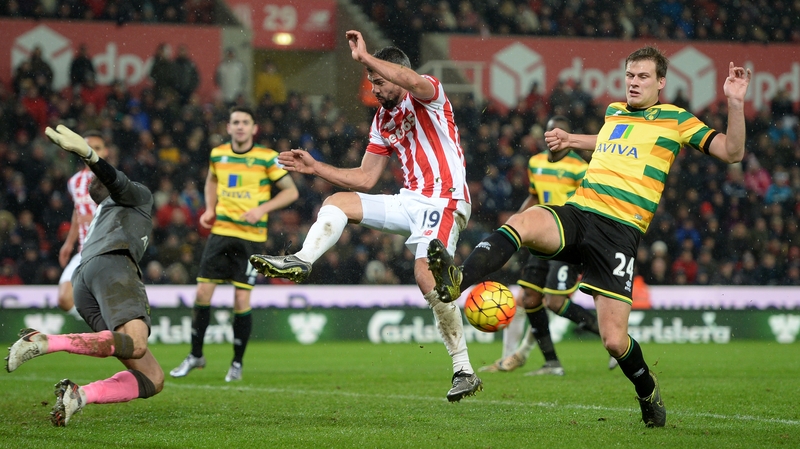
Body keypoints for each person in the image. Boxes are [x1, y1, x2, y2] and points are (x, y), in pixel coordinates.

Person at [428, 48, 751, 427]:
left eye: (643, 76)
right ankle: (458, 280)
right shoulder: (614, 112)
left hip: (619, 233)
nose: (634, 82)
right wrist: (570, 139)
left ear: (661, 82)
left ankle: (648, 390)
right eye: (630, 75)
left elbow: (732, 152)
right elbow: (608, 141)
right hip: (581, 212)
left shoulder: (676, 121)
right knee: (526, 220)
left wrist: (734, 103)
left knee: (614, 340)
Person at [249, 30, 480, 402]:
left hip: (445, 199)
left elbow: (409, 79)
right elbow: (366, 177)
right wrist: (315, 168)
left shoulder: (431, 94)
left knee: (424, 276)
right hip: (411, 200)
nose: (374, 88)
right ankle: (302, 260)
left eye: (378, 81)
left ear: (394, 72)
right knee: (339, 201)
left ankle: (464, 370)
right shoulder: (382, 121)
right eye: (371, 82)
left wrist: (366, 58)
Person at [6, 124, 163, 427]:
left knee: (152, 376)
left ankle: (79, 396)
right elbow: (116, 180)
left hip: (83, 279)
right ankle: (44, 340)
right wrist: (91, 155)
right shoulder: (137, 197)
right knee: (138, 342)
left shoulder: (103, 212)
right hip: (112, 267)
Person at [479, 116, 616, 375]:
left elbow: (591, 205)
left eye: (557, 132)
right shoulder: (536, 162)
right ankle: (551, 362)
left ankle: (612, 335)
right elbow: (534, 196)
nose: (552, 137)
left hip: (569, 241)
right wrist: (515, 226)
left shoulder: (580, 167)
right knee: (529, 298)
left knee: (555, 302)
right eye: (548, 132)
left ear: (566, 134)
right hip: (540, 239)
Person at [170, 106, 298, 382]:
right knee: (202, 294)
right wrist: (208, 208)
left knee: (241, 299)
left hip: (251, 239)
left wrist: (263, 209)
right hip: (221, 233)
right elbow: (210, 181)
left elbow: (291, 192)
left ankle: (237, 363)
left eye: (245, 122)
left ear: (254, 129)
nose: (240, 126)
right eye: (235, 122)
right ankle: (195, 355)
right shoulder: (219, 154)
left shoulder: (266, 157)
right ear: (228, 128)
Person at [57, 130, 109, 319]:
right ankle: (100, 326)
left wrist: (96, 217)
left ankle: (109, 329)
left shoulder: (113, 180)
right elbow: (77, 212)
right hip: (83, 251)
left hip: (107, 252)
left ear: (106, 152)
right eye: (88, 148)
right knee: (64, 299)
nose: (92, 152)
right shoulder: (74, 181)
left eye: (97, 148)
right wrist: (69, 243)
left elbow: (123, 213)